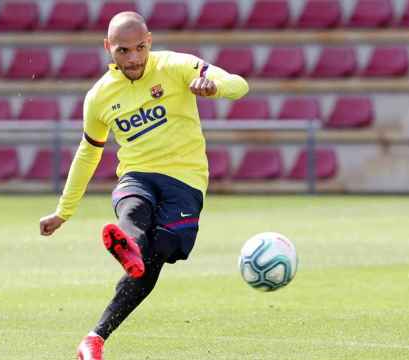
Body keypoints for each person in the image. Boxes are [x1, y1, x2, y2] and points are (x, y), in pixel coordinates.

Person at [39, 11, 249, 360]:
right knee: (132, 206)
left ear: (149, 41)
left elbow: (239, 84)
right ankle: (127, 249)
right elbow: (88, 154)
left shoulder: (175, 66)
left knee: (158, 253)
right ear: (108, 48)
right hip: (137, 174)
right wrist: (64, 211)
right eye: (123, 51)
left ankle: (95, 334)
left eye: (139, 48)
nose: (133, 58)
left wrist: (215, 86)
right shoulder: (100, 97)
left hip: (185, 179)